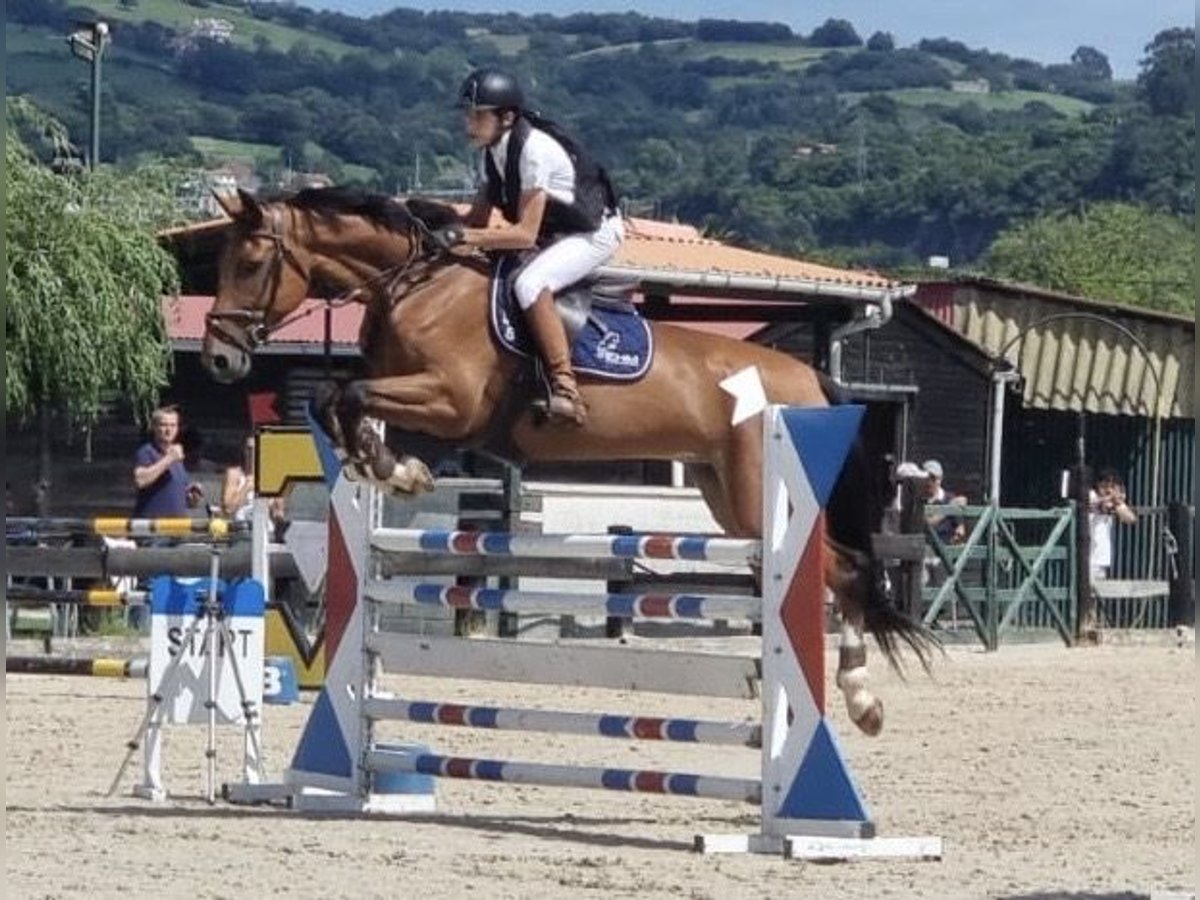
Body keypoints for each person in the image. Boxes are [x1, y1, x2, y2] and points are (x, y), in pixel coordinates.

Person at [434, 68, 625, 427]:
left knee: (529, 284)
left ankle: (565, 387)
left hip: (595, 234)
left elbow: (523, 235)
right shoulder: (492, 152)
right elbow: (476, 219)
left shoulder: (534, 151)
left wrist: (464, 238)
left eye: (477, 115)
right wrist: (436, 233)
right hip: (558, 232)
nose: (468, 123)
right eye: (467, 114)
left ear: (506, 117)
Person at [132, 405, 205, 518]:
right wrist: (169, 459)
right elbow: (140, 480)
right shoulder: (147, 452)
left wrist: (192, 496)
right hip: (153, 528)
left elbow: (182, 499)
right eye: (163, 425)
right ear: (154, 427)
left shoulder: (177, 456)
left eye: (173, 425)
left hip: (176, 528)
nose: (168, 430)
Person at [221, 435, 286, 537]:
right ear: (243, 451)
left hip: (266, 532)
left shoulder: (273, 477)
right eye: (248, 449)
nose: (252, 453)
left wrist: (274, 504)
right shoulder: (234, 474)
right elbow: (228, 509)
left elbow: (278, 515)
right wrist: (246, 488)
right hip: (240, 530)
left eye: (256, 449)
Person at [1089, 469, 1137, 581]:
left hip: (1101, 558)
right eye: (1104, 485)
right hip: (1087, 557)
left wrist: (1118, 503)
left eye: (1111, 485)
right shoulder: (1091, 495)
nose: (1107, 489)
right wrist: (1111, 498)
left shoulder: (1113, 501)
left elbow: (1130, 518)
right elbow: (1096, 503)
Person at [921, 459, 967, 545]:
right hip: (921, 550)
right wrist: (947, 509)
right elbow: (925, 525)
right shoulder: (917, 500)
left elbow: (960, 529)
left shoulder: (950, 499)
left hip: (944, 551)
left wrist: (957, 537)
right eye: (927, 478)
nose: (929, 482)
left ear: (940, 480)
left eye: (934, 478)